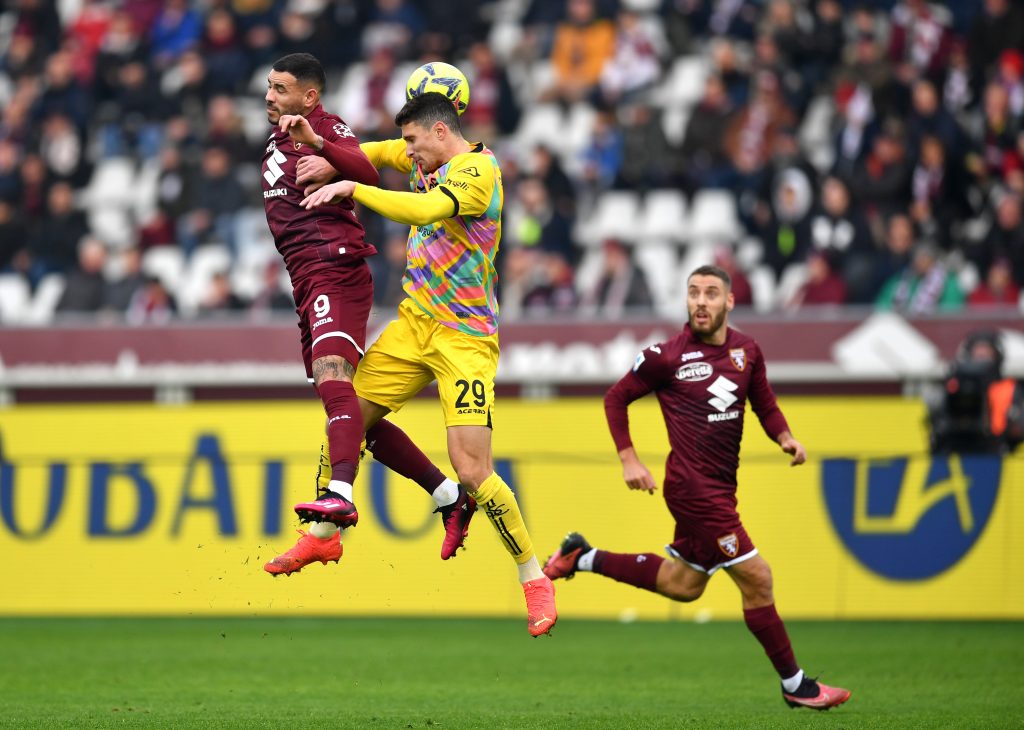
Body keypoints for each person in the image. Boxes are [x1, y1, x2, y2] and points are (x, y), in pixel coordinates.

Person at [295, 91, 558, 637]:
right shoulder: (424, 155)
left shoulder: (478, 171)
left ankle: (533, 577)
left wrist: (353, 187)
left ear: (441, 132)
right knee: (346, 417)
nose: (409, 153)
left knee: (473, 467)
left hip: (466, 338)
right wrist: (323, 146)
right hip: (414, 326)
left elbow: (427, 209)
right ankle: (323, 534)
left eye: (415, 142)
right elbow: (379, 149)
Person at [542, 264, 851, 709]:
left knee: (683, 584)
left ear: (729, 301)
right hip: (692, 489)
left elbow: (763, 402)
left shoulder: (748, 352)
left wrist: (785, 436)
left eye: (710, 293)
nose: (700, 302)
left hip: (721, 488)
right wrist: (629, 457)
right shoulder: (665, 356)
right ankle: (796, 685)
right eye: (693, 293)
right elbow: (616, 397)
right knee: (758, 578)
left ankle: (581, 555)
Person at [258, 54, 474, 579]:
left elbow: (364, 167)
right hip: (304, 279)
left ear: (309, 97)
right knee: (355, 417)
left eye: (280, 88)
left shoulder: (326, 127)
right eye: (268, 86)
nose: (269, 96)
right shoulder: (276, 138)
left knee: (335, 382)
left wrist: (321, 146)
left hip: (335, 268)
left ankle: (338, 499)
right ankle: (448, 496)